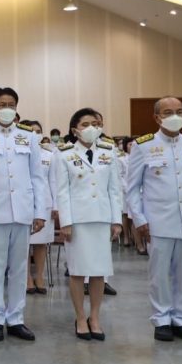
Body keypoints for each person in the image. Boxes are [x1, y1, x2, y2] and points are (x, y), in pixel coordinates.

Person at [126, 96, 182, 342]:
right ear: (157, 117)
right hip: (157, 221)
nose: (175, 116)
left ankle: (181, 320)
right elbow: (133, 189)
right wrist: (139, 219)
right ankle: (161, 319)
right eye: (168, 112)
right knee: (159, 273)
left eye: (179, 111)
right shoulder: (143, 146)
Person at [0, 87, 47, 342]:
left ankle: (15, 318)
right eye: (2, 104)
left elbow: (37, 177)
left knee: (19, 268)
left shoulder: (29, 136)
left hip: (23, 211)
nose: (7, 108)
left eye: (11, 104)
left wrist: (40, 211)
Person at [54, 109, 122, 341]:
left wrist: (116, 220)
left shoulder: (109, 151)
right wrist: (65, 222)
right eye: (85, 124)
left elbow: (114, 189)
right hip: (78, 221)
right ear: (75, 130)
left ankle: (95, 317)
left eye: (95, 123)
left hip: (102, 218)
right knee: (77, 271)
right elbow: (62, 191)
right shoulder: (64, 154)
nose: (91, 128)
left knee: (99, 272)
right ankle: (80, 317)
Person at [23, 120, 55, 295]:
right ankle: (27, 277)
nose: (36, 134)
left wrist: (56, 205)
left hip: (45, 203)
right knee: (24, 244)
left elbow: (54, 182)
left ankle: (40, 276)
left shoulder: (49, 155)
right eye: (32, 131)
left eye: (39, 131)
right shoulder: (20, 152)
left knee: (41, 243)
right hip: (24, 203)